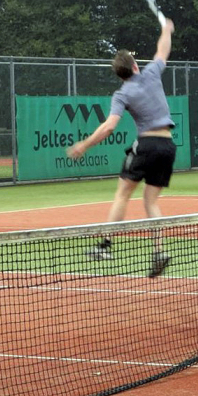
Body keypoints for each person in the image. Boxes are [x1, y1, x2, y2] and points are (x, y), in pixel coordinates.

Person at [66, 19, 177, 278]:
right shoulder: (151, 73)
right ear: (136, 66)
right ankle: (159, 252)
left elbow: (109, 127)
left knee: (122, 194)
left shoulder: (122, 94)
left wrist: (84, 145)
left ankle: (105, 246)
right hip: (168, 146)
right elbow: (163, 50)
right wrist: (166, 30)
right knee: (151, 201)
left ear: (120, 75)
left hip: (147, 145)